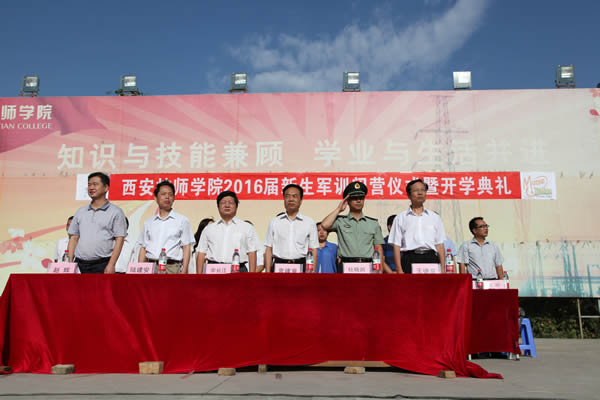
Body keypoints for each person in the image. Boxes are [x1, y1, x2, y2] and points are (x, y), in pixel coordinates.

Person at [67, 172, 127, 274]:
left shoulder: (115, 212)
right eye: (89, 184)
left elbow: (119, 239)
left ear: (106, 188)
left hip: (102, 264)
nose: (91, 188)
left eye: (95, 184)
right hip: (79, 264)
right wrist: (69, 263)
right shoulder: (81, 211)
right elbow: (74, 238)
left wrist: (111, 264)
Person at [320, 181, 384, 273]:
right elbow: (324, 225)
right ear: (348, 201)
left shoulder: (373, 223)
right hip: (346, 266)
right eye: (354, 198)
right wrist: (339, 209)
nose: (358, 201)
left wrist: (380, 270)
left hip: (368, 266)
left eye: (361, 198)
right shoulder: (340, 221)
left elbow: (378, 248)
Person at [389, 179, 446, 274]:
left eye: (423, 190)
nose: (420, 193)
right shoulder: (400, 218)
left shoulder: (435, 217)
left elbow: (439, 245)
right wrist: (399, 269)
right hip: (409, 259)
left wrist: (443, 269)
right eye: (416, 190)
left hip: (430, 258)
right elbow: (396, 245)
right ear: (408, 195)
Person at [138, 180, 195, 274]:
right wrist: (140, 269)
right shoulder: (148, 222)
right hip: (150, 267)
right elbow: (143, 248)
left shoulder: (182, 220)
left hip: (172, 267)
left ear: (174, 198)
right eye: (163, 194)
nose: (167, 197)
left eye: (170, 194)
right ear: (156, 198)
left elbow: (186, 246)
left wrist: (184, 270)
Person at [196, 191, 259, 273]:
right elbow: (201, 253)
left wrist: (252, 276)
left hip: (238, 270)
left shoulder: (247, 228)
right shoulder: (209, 229)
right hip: (214, 270)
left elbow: (252, 252)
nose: (227, 205)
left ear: (236, 206)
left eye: (231, 202)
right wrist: (199, 277)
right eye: (223, 202)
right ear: (218, 206)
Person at [264, 184, 318, 273]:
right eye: (287, 196)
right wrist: (267, 272)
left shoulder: (309, 222)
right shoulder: (275, 222)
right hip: (278, 266)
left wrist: (313, 273)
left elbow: (313, 250)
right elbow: (269, 249)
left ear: (301, 200)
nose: (291, 199)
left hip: (301, 266)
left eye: (294, 196)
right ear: (284, 199)